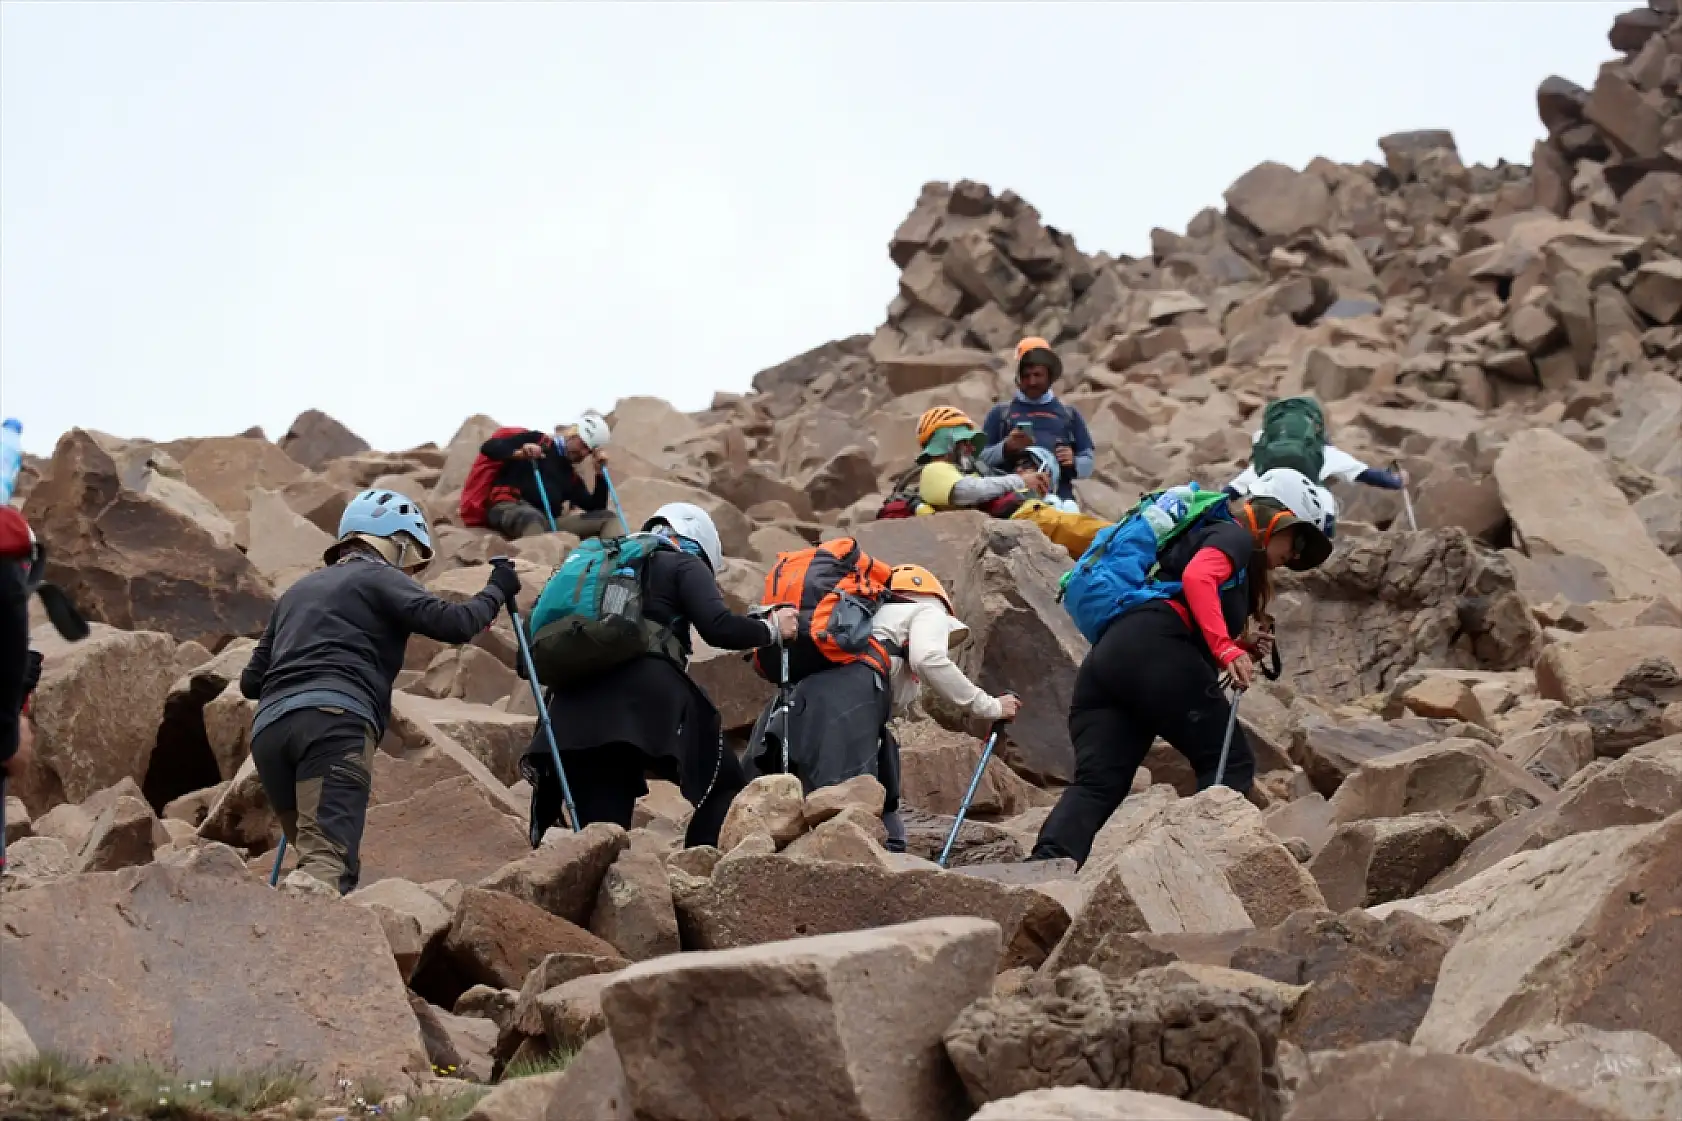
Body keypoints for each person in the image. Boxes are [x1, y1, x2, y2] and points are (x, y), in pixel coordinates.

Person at [1030, 469, 1336, 867]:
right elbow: (1198, 578)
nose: (1292, 557)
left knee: (1098, 783)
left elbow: (1187, 603)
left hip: (1111, 659)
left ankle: (1045, 865)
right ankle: (1212, 868)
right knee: (1228, 761)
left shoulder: (1201, 539)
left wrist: (1239, 645)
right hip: (1155, 651)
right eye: (1295, 542)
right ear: (1276, 517)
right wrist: (1226, 649)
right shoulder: (1234, 534)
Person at [240, 488, 518, 895]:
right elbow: (456, 624)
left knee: (314, 857)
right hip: (334, 725)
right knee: (329, 865)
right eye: (411, 558)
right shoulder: (378, 575)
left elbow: (251, 682)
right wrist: (497, 588)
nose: (410, 574)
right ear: (396, 541)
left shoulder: (296, 592)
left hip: (270, 733)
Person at [522, 502, 798, 848]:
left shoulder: (597, 567)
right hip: (644, 698)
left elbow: (527, 654)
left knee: (602, 839)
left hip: (567, 711)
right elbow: (719, 628)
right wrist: (771, 629)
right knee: (723, 785)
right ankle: (701, 872)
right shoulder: (682, 561)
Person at [873, 564, 1021, 849]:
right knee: (879, 800)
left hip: (817, 707)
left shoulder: (866, 620)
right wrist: (989, 707)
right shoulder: (926, 612)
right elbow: (928, 659)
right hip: (862, 711)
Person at [903, 406, 1112, 561]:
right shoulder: (934, 470)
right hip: (1025, 520)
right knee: (1103, 535)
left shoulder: (958, 471)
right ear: (946, 441)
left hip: (1027, 519)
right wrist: (1020, 480)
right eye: (963, 441)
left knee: (1093, 535)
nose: (969, 447)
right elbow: (967, 491)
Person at [980, 338, 1096, 510]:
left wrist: (1074, 462)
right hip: (1015, 501)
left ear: (1050, 375)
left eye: (1037, 375)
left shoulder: (1068, 414)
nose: (1032, 381)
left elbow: (1088, 460)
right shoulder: (1001, 414)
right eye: (1026, 376)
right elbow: (980, 459)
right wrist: (1005, 448)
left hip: (1063, 502)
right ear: (1018, 377)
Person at [473, 414, 619, 541]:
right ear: (573, 434)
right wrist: (519, 453)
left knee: (608, 518)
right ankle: (538, 569)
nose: (583, 452)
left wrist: (600, 474)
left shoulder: (570, 476)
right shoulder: (538, 440)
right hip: (509, 506)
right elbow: (489, 447)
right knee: (534, 519)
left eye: (589, 450)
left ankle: (619, 565)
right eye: (583, 444)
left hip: (548, 522)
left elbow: (596, 507)